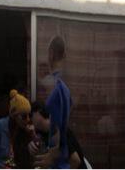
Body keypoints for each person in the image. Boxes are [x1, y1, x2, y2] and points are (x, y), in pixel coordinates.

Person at [42, 36, 73, 169]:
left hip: (57, 162)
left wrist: (51, 155)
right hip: (63, 159)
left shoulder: (54, 86)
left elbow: (56, 128)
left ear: (51, 54)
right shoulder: (64, 88)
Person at [29, 101, 85, 169]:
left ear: (38, 112)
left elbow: (75, 161)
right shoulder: (41, 131)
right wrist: (31, 144)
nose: (29, 119)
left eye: (30, 115)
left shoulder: (59, 131)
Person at [0, 90, 33, 168]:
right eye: (24, 116)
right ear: (14, 115)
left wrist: (32, 135)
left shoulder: (25, 130)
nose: (28, 119)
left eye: (29, 115)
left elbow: (31, 159)